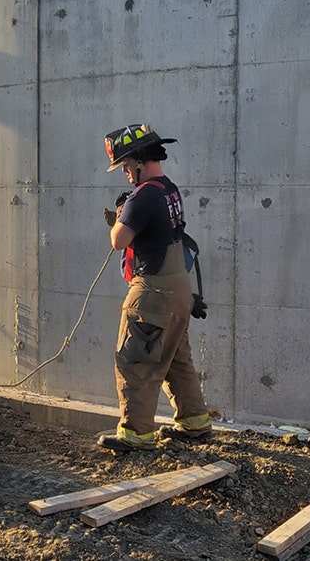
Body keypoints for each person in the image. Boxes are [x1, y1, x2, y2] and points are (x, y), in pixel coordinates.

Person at [98, 123, 212, 452]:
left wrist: (123, 214)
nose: (125, 174)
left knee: (135, 361)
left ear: (137, 162)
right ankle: (195, 424)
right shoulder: (168, 189)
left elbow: (119, 241)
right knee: (177, 360)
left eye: (125, 167)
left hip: (153, 294)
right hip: (179, 291)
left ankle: (135, 436)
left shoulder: (144, 194)